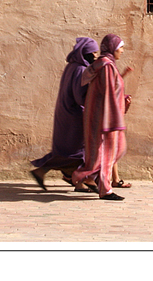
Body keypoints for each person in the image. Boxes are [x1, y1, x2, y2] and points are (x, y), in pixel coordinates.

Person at [29, 37, 100, 192]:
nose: (95, 56)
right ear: (86, 53)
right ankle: (42, 170)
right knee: (76, 152)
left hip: (67, 113)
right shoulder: (81, 69)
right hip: (75, 117)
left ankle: (77, 181)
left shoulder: (72, 66)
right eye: (93, 53)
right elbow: (80, 96)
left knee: (72, 151)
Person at [72, 34, 131, 200]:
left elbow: (110, 88)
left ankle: (85, 177)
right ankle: (103, 188)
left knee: (108, 152)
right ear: (112, 48)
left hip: (100, 116)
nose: (122, 51)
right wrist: (113, 117)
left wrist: (123, 97)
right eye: (120, 47)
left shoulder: (103, 65)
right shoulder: (106, 66)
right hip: (105, 118)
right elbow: (108, 93)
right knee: (106, 153)